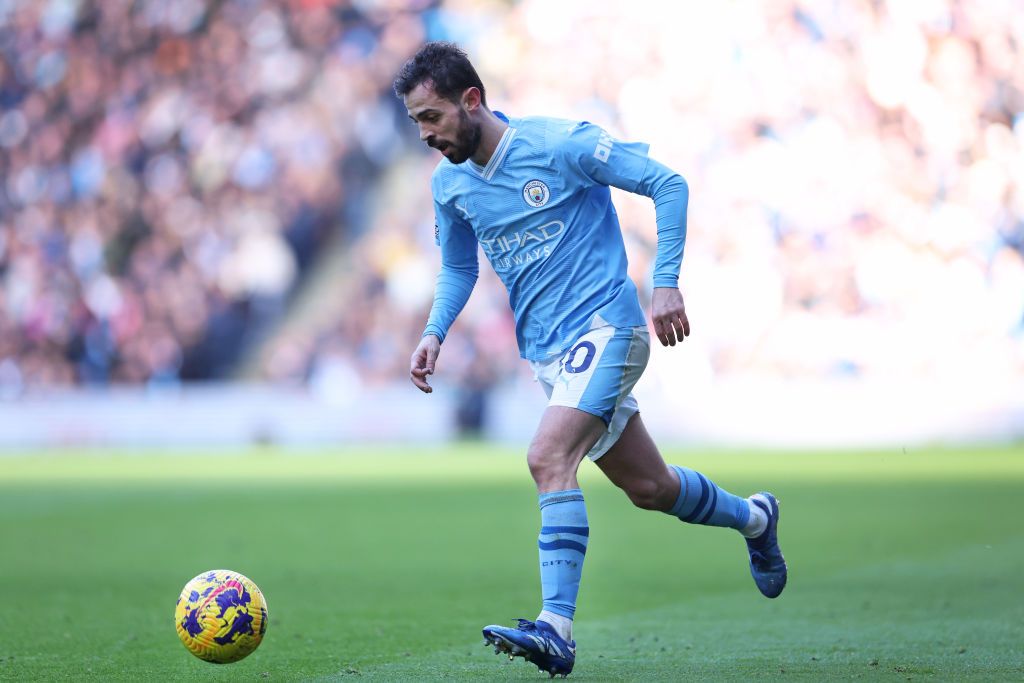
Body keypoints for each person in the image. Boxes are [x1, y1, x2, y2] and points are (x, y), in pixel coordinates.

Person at [393, 42, 786, 678]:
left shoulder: (561, 144)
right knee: (651, 489)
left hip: (609, 328)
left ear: (472, 100)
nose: (426, 135)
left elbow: (668, 183)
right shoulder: (450, 185)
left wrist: (665, 281)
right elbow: (460, 266)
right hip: (552, 355)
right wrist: (435, 331)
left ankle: (556, 628)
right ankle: (756, 518)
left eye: (431, 118)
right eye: (416, 123)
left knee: (548, 458)